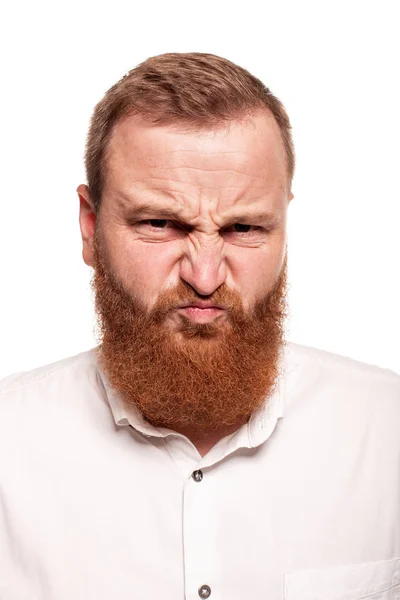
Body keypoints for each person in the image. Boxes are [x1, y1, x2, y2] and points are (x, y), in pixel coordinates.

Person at [0, 52, 399, 600]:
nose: (206, 277)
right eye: (159, 223)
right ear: (90, 229)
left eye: (244, 227)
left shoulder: (387, 433)